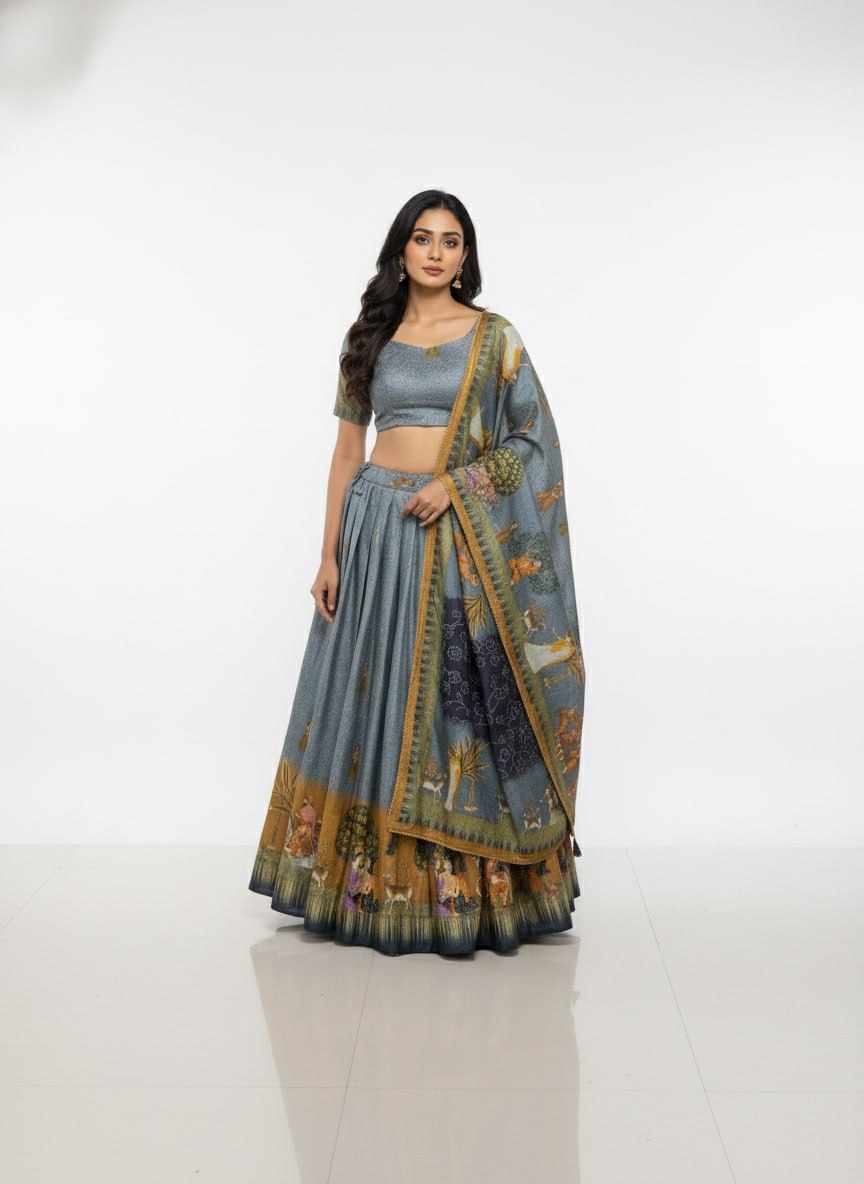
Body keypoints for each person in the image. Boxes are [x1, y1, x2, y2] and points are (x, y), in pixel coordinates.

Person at [248, 189, 586, 956]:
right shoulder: (369, 337)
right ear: (401, 250)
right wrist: (329, 553)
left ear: (466, 257)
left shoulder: (495, 338)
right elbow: (346, 451)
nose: (436, 252)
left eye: (451, 241)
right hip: (377, 528)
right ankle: (360, 884)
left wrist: (459, 486)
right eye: (423, 238)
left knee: (447, 705)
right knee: (375, 695)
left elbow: (533, 442)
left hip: (456, 534)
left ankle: (465, 888)